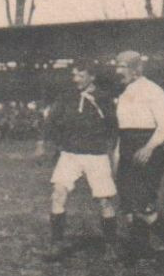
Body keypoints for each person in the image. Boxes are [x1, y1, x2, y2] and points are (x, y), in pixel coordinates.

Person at [35, 63, 119, 261]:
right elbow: (50, 121)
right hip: (70, 154)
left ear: (91, 76)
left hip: (96, 156)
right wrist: (41, 143)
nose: (75, 79)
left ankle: (111, 245)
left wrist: (115, 151)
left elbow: (114, 127)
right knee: (58, 194)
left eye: (80, 75)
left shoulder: (104, 98)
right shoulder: (66, 97)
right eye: (74, 75)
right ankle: (56, 244)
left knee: (104, 201)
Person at [113, 50, 164, 266]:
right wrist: (118, 155)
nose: (118, 72)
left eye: (122, 67)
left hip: (148, 151)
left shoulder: (153, 90)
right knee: (128, 206)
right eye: (117, 67)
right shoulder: (124, 93)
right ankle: (141, 249)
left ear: (136, 69)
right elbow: (123, 130)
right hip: (127, 151)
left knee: (143, 205)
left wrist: (148, 148)